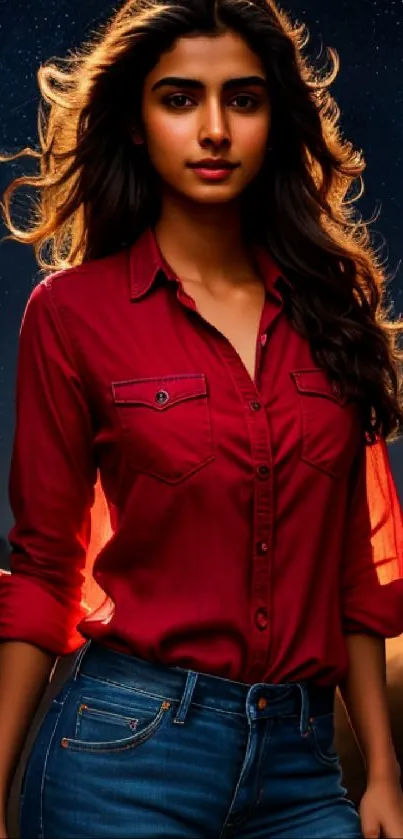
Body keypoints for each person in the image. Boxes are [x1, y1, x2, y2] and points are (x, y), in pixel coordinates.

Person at [1, 0, 403, 836]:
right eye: (180, 98)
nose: (214, 128)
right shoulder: (71, 313)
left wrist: (384, 772)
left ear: (275, 120)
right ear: (137, 122)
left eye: (243, 100)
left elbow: (356, 576)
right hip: (118, 754)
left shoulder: (329, 315)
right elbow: (44, 566)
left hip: (303, 769)